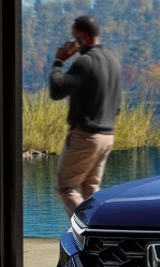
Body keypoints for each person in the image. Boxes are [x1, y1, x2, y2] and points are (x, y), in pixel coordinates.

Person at [49, 15, 121, 217]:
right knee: (90, 190)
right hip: (107, 137)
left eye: (74, 38)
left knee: (65, 188)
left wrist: (58, 61)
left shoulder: (85, 61)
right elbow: (118, 107)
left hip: (86, 136)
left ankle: (90, 230)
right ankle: (96, 241)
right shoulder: (113, 62)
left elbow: (57, 91)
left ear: (81, 37)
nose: (72, 42)